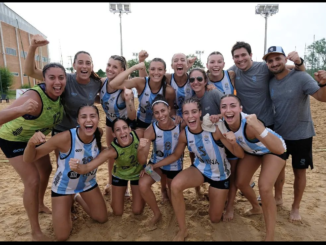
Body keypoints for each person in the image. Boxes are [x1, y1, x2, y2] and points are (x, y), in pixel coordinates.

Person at [147, 98, 244, 241]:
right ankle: (183, 230)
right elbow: (175, 155)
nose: (190, 116)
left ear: (200, 113)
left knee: (215, 218)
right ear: (183, 116)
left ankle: (220, 198)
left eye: (193, 112)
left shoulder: (214, 129)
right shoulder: (184, 134)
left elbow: (240, 154)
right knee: (175, 185)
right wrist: (154, 166)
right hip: (200, 169)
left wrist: (233, 142)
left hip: (220, 174)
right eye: (186, 113)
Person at [228, 41, 306, 205]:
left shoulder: (264, 68)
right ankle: (247, 189)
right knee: (247, 163)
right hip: (247, 128)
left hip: (268, 124)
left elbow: (293, 71)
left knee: (277, 164)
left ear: (250, 55)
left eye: (244, 55)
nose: (240, 59)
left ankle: (278, 197)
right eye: (236, 56)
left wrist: (299, 62)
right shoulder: (233, 71)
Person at [0, 63, 67, 241]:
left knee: (45, 170)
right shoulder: (34, 97)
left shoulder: (60, 94)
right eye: (52, 78)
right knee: (32, 179)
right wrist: (20, 109)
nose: (57, 82)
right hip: (13, 139)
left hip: (36, 138)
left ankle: (39, 204)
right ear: (43, 80)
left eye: (61, 77)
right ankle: (35, 231)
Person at [23, 104, 108, 241]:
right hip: (64, 187)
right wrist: (31, 144)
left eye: (93, 116)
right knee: (62, 236)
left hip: (87, 183)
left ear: (98, 119)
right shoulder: (64, 138)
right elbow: (29, 158)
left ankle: (76, 198)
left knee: (102, 218)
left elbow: (99, 149)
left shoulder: (98, 132)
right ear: (78, 121)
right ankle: (67, 202)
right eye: (83, 117)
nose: (88, 120)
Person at [263, 46, 326, 222]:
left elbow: (322, 97)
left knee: (300, 172)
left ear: (285, 59)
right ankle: (278, 197)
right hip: (279, 134)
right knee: (278, 170)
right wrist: (299, 63)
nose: (274, 63)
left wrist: (323, 83)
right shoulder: (270, 81)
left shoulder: (301, 77)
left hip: (301, 134)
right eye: (270, 60)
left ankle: (296, 207)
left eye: (277, 59)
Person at [219, 94, 287, 241]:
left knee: (264, 187)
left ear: (240, 109)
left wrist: (257, 126)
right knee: (241, 182)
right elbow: (241, 155)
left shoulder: (250, 124)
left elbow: (280, 149)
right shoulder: (222, 123)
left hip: (272, 149)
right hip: (252, 151)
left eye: (232, 106)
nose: (228, 110)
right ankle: (256, 208)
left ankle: (269, 236)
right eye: (224, 107)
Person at [24, 34, 102, 149]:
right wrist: (33, 47)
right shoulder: (63, 78)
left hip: (83, 130)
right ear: (74, 65)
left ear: (92, 66)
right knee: (63, 165)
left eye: (88, 63)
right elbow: (31, 72)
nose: (84, 66)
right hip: (61, 129)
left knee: (83, 163)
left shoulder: (97, 83)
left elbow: (112, 86)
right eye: (80, 62)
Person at [69, 117, 145, 216]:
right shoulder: (111, 150)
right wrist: (77, 167)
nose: (122, 132)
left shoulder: (139, 134)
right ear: (113, 134)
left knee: (137, 211)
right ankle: (77, 197)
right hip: (120, 175)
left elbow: (154, 132)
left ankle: (137, 194)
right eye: (118, 130)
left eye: (125, 128)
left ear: (130, 129)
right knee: (117, 212)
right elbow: (88, 167)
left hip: (137, 173)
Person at [137, 94, 184, 226]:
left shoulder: (179, 124)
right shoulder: (150, 130)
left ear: (169, 109)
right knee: (143, 184)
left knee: (173, 193)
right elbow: (142, 160)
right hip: (157, 167)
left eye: (163, 111)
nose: (160, 115)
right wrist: (141, 150)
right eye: (156, 113)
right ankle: (157, 213)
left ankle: (166, 190)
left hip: (175, 166)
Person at [100, 55, 137, 197]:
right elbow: (102, 98)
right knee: (111, 153)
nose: (110, 69)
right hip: (110, 121)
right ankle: (110, 182)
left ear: (122, 70)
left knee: (125, 156)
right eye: (109, 65)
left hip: (126, 124)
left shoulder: (125, 89)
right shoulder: (103, 82)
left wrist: (129, 101)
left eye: (115, 67)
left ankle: (126, 188)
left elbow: (133, 116)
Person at [109, 60, 176, 138]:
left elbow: (170, 109)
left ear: (165, 71)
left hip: (160, 122)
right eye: (153, 69)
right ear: (149, 70)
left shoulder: (169, 91)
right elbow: (113, 84)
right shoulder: (141, 82)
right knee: (140, 144)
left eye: (160, 69)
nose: (156, 72)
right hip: (141, 121)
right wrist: (134, 67)